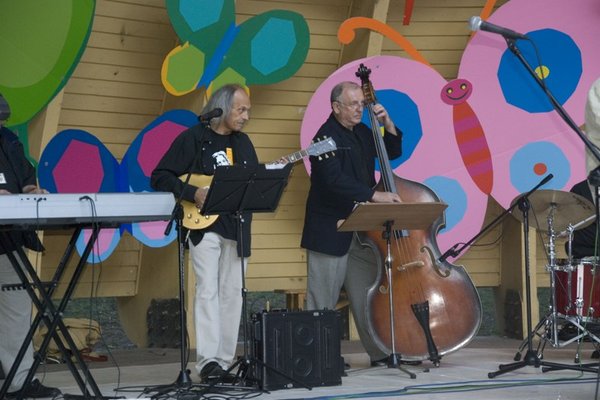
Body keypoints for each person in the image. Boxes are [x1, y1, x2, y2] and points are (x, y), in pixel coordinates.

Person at [151, 84, 258, 382]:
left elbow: (252, 181)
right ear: (222, 108)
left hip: (237, 226)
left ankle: (225, 361)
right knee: (208, 291)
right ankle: (208, 362)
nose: (246, 116)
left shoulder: (244, 143)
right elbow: (160, 175)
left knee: (233, 294)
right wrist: (191, 191)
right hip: (203, 226)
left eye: (248, 110)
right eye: (241, 109)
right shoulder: (194, 138)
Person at [300, 81, 403, 365]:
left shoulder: (361, 131)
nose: (361, 108)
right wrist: (374, 195)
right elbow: (332, 181)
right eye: (354, 104)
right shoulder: (323, 137)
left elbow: (390, 153)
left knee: (366, 295)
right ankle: (318, 358)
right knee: (323, 299)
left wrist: (387, 123)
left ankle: (380, 352)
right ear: (336, 107)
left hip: (360, 229)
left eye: (362, 103)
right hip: (330, 229)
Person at [0, 93, 61, 398]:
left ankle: (18, 383)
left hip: (7, 240)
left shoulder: (7, 139)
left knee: (17, 310)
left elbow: (24, 175)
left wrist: (31, 189)